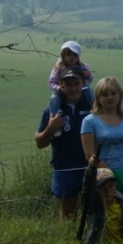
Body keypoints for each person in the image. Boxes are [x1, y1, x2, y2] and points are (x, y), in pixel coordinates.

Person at [35, 67, 92, 219]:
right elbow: (40, 143)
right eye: (68, 85)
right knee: (68, 217)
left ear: (82, 83)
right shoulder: (52, 110)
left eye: (76, 83)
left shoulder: (92, 106)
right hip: (64, 169)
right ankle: (68, 236)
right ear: (61, 85)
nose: (73, 89)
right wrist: (50, 128)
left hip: (90, 168)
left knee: (94, 214)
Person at [80, 77, 123, 202]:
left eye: (113, 94)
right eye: (105, 95)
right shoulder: (89, 121)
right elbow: (90, 155)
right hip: (102, 178)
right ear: (98, 98)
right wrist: (110, 176)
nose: (110, 98)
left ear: (120, 95)